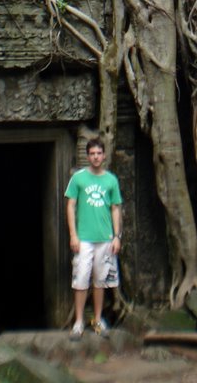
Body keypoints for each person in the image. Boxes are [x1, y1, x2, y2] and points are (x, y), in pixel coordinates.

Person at [65, 136, 123, 340]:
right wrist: (73, 235)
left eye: (99, 153)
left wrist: (116, 236)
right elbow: (70, 206)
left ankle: (97, 320)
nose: (96, 157)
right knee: (80, 279)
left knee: (100, 281)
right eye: (92, 154)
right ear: (87, 156)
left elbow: (115, 208)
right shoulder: (79, 178)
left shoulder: (111, 180)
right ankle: (79, 322)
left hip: (105, 238)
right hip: (84, 239)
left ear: (104, 155)